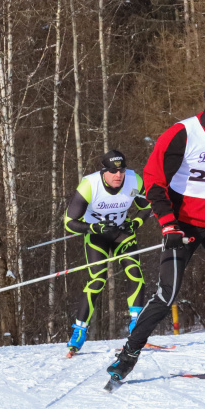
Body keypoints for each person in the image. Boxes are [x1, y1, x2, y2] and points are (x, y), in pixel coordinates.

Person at [106, 80, 205, 382]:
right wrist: (168, 224)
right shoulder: (183, 134)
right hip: (183, 220)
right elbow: (153, 181)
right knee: (167, 293)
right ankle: (129, 353)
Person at [63, 150, 151, 355]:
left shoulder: (134, 180)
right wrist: (93, 228)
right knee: (98, 279)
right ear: (103, 172)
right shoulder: (89, 185)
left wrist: (136, 222)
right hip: (97, 236)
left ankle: (136, 325)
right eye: (113, 171)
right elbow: (69, 222)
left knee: (134, 272)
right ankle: (79, 331)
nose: (118, 175)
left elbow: (147, 206)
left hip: (122, 232)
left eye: (121, 170)